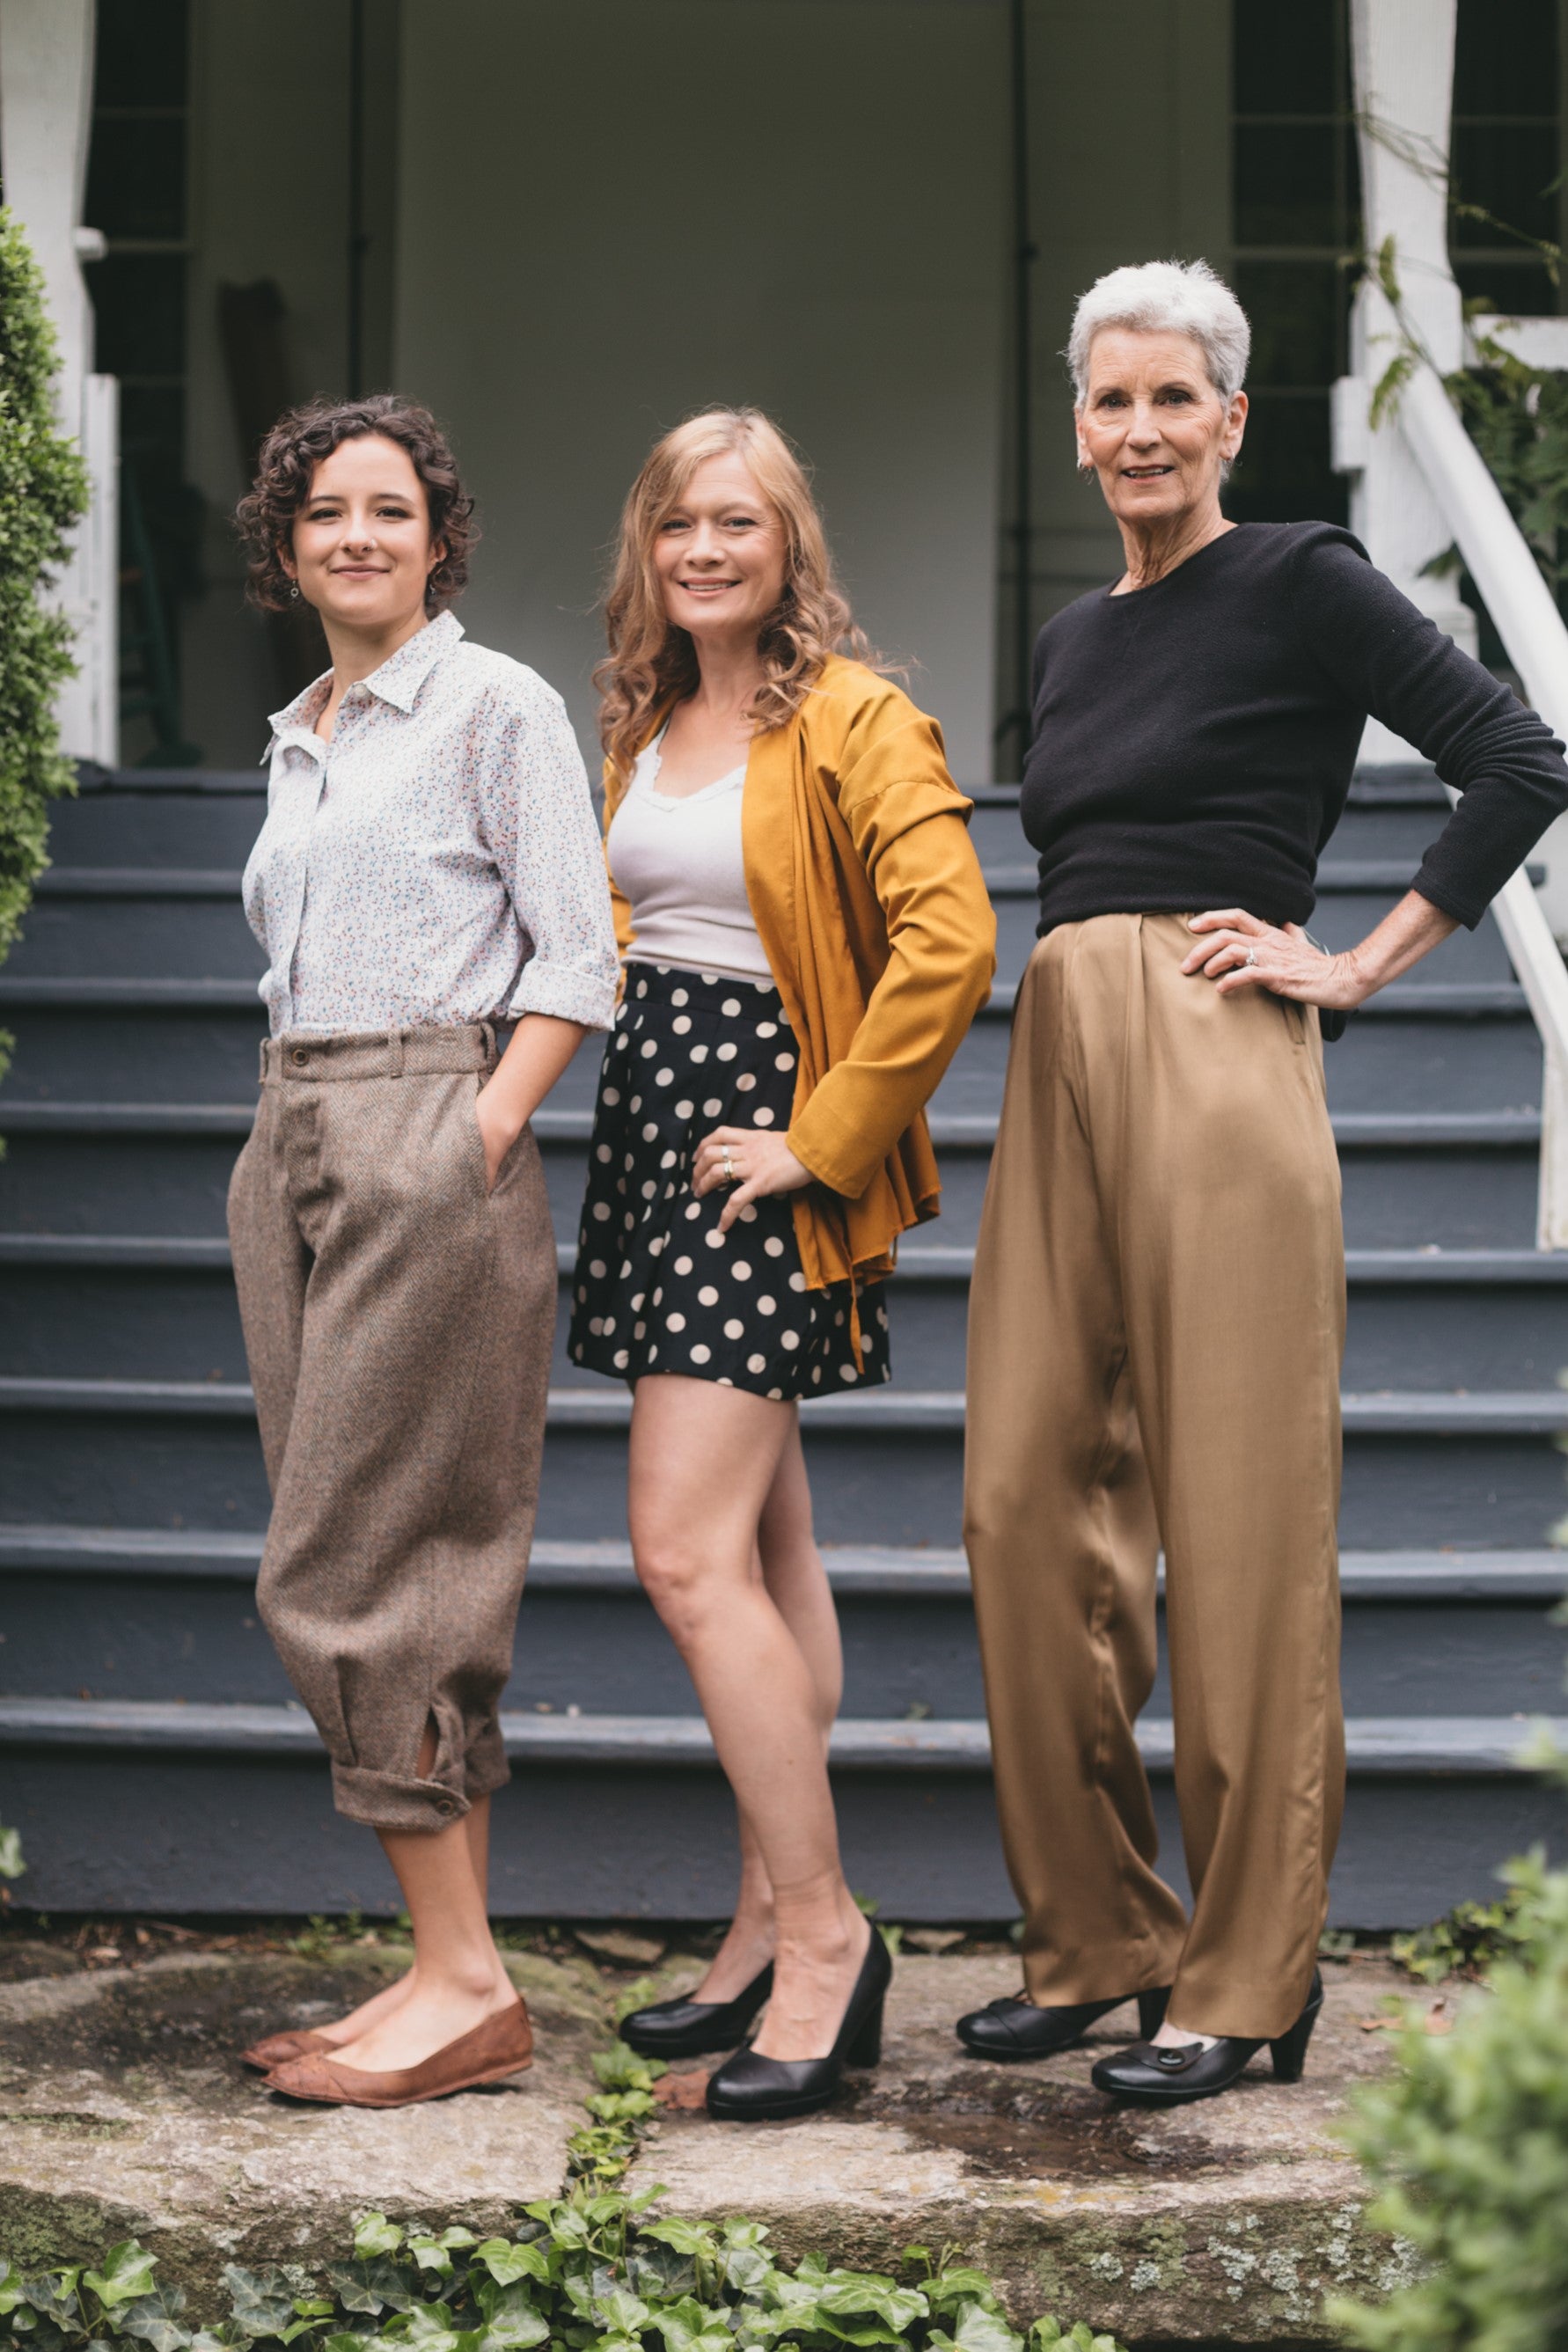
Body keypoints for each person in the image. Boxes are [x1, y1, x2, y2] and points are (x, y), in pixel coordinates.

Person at [960, 260, 1568, 2105]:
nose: (1136, 430)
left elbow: (1519, 756)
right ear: (1079, 424)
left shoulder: (1300, 575)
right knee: (1016, 1499)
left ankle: (1246, 1975)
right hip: (1061, 1031)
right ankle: (1101, 1935)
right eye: (1109, 402)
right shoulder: (1070, 640)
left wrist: (1358, 959)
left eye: (1173, 400)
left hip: (1224, 1042)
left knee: (1237, 1522)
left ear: (1232, 416)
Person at [572, 407, 995, 2120]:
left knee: (681, 1548)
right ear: (649, 546)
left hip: (764, 1150)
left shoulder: (855, 716)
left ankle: (826, 1936)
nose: (707, 549)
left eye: (738, 521)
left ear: (788, 542)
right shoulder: (643, 713)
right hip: (655, 1132)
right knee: (761, 1535)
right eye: (681, 522)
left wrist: (823, 1136)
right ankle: (760, 1917)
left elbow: (950, 931)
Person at [227, 395, 619, 2108]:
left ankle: (467, 1981)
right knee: (355, 1556)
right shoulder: (299, 730)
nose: (359, 534)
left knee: (359, 1562)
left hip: (427, 1124)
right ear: (289, 543)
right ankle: (445, 1965)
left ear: (439, 536)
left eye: (392, 508)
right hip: (293, 1129)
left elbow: (578, 951)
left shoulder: (495, 703)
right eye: (327, 511)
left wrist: (477, 1129)